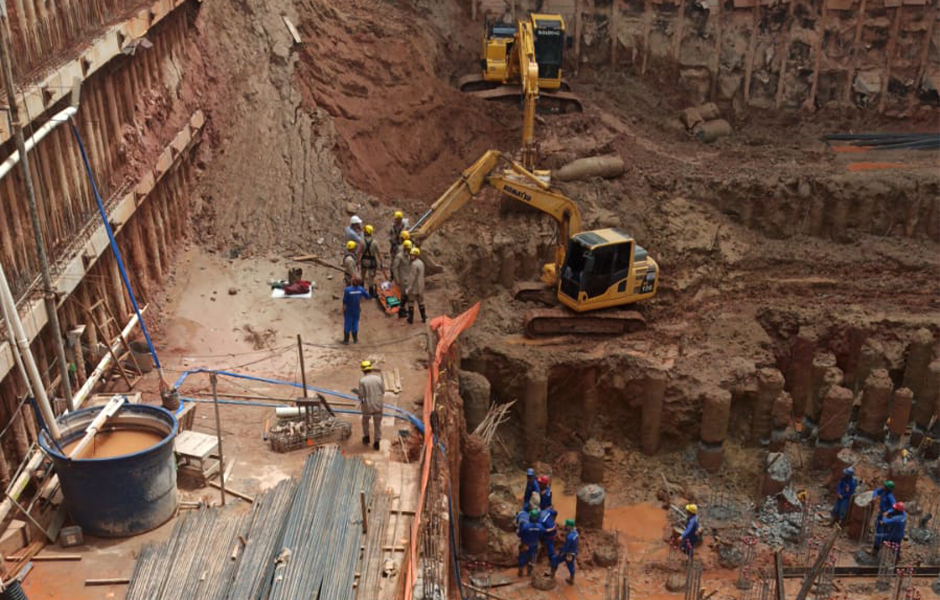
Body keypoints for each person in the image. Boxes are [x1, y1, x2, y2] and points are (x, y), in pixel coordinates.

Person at [357, 360, 384, 451]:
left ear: (363, 370)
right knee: (377, 424)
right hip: (378, 404)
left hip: (367, 406)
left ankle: (366, 437)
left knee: (365, 421)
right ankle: (376, 443)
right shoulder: (378, 378)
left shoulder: (362, 381)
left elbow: (361, 395)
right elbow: (383, 391)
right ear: (371, 369)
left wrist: (361, 400)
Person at [342, 277, 370, 345]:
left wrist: (343, 310)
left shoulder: (347, 290)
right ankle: (355, 340)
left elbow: (345, 301)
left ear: (353, 281)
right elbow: (368, 296)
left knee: (347, 324)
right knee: (355, 323)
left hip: (349, 309)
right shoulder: (361, 289)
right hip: (357, 309)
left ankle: (346, 341)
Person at [550, 519, 579, 585]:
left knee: (555, 559)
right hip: (573, 552)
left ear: (569, 526)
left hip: (567, 553)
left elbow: (566, 547)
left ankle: (552, 574)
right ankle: (572, 578)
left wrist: (560, 553)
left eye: (566, 525)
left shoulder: (569, 537)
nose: (565, 526)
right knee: (571, 565)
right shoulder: (575, 533)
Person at [517, 509, 543, 577]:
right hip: (534, 544)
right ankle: (529, 571)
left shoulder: (525, 526)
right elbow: (542, 534)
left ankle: (520, 571)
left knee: (522, 556)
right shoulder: (540, 527)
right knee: (532, 556)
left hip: (525, 544)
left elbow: (520, 534)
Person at [359, 225, 382, 296]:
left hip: (364, 260)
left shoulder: (362, 242)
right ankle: (371, 292)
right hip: (371, 261)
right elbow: (379, 253)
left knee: (362, 275)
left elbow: (359, 252)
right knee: (371, 277)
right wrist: (381, 262)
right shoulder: (375, 242)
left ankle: (361, 290)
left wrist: (357, 261)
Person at [405, 247, 426, 324]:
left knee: (411, 302)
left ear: (416, 256)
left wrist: (408, 288)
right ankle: (424, 317)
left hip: (414, 287)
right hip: (421, 286)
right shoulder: (421, 263)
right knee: (421, 302)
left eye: (412, 255)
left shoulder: (414, 264)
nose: (411, 256)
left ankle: (410, 319)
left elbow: (412, 277)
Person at [393, 237, 412, 318]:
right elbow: (394, 268)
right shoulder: (399, 256)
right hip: (402, 279)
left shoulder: (409, 255)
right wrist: (397, 279)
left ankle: (403, 309)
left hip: (408, 278)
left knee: (406, 295)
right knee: (403, 295)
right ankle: (401, 311)